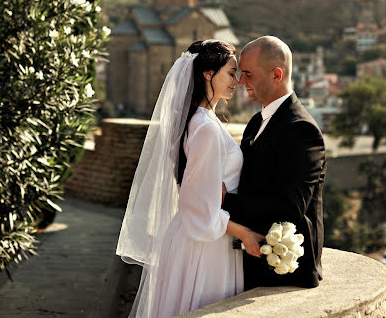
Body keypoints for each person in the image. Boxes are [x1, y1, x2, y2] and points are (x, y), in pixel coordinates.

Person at [116, 40, 264, 318]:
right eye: (231, 73)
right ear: (208, 73)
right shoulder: (205, 128)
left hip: (199, 237)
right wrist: (246, 234)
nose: (238, 81)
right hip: (205, 245)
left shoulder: (199, 119)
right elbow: (198, 209)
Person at [222, 35, 326, 290]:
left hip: (287, 271)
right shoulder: (256, 122)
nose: (240, 81)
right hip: (253, 258)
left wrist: (226, 201)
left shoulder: (302, 130)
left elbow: (291, 207)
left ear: (276, 75)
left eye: (248, 74)